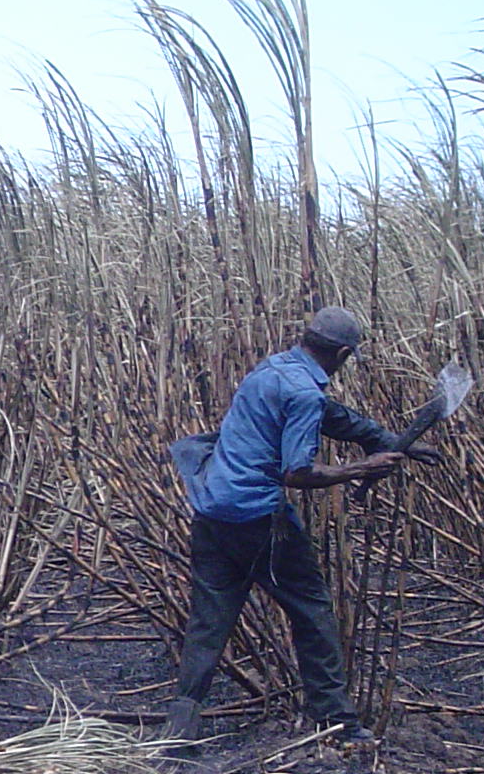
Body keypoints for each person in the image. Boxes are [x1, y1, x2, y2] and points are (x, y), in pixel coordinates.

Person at [164, 308, 442, 748]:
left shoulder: (273, 370)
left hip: (212, 508)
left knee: (208, 623)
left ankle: (180, 726)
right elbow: (297, 473)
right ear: (345, 354)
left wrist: (387, 441)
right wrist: (359, 468)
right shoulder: (303, 393)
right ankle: (340, 723)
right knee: (312, 610)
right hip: (258, 519)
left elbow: (331, 414)